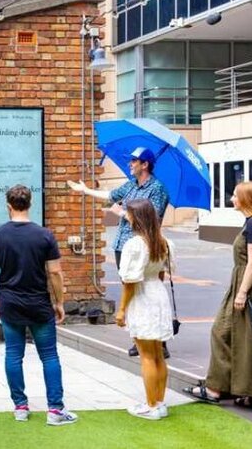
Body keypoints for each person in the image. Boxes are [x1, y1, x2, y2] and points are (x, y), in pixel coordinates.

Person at [0, 185, 78, 426]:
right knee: (49, 356)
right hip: (39, 304)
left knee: (13, 355)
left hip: (10, 303)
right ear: (30, 204)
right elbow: (55, 273)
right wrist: (59, 302)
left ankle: (21, 407)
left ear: (8, 206)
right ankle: (55, 410)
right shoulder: (44, 235)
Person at [184, 181, 252, 410]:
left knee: (223, 331)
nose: (232, 199)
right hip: (250, 284)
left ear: (246, 199)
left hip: (250, 285)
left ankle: (215, 389)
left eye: (236, 196)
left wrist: (242, 292)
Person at [68, 146, 170, 357]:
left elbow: (151, 216)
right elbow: (110, 194)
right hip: (123, 244)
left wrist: (122, 212)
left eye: (134, 161)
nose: (130, 164)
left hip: (143, 245)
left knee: (143, 290)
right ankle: (138, 335)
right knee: (130, 290)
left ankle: (158, 341)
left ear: (145, 164)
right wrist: (85, 190)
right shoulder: (131, 185)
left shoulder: (157, 189)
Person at [115, 198, 174, 420]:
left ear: (136, 217)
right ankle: (159, 402)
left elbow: (129, 282)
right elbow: (161, 273)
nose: (127, 216)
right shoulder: (162, 242)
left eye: (129, 213)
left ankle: (151, 405)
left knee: (146, 356)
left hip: (142, 297)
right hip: (158, 294)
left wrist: (121, 310)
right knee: (158, 354)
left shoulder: (135, 245)